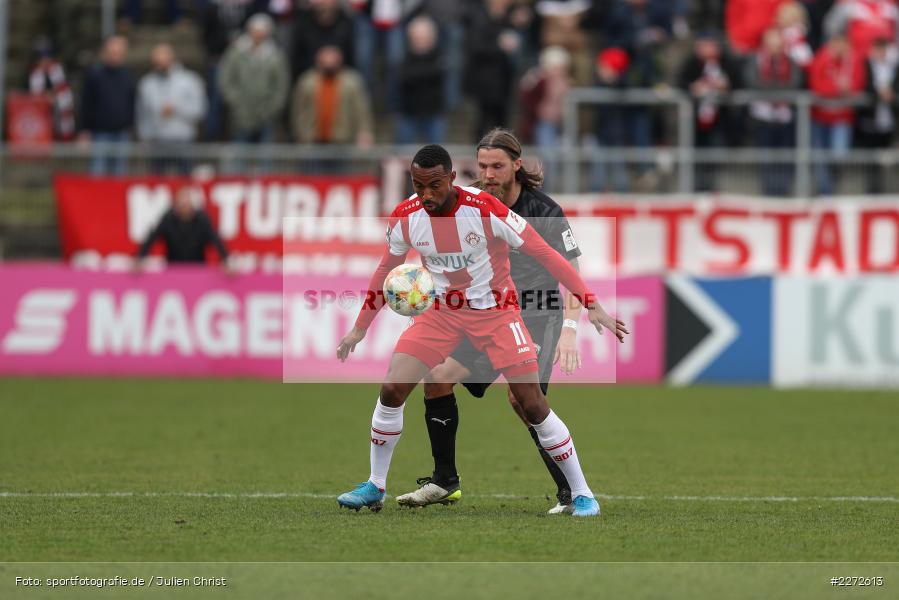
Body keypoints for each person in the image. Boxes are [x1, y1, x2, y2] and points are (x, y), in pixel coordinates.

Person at [334, 144, 629, 517]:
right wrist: (360, 328)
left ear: (452, 179)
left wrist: (590, 304)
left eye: (434, 185)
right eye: (418, 185)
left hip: (497, 314)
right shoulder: (406, 217)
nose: (426, 194)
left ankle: (583, 493)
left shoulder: (486, 209)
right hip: (440, 314)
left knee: (531, 402)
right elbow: (384, 270)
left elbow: (546, 253)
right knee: (393, 387)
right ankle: (375, 485)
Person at [394, 129, 586, 515]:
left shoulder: (545, 211)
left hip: (537, 314)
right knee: (438, 376)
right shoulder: (469, 203)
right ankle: (445, 481)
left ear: (517, 165)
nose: (488, 174)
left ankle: (572, 492)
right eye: (482, 166)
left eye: (497, 166)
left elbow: (569, 267)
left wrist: (570, 329)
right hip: (485, 311)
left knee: (522, 399)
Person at [809, 31, 867, 195]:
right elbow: (816, 86)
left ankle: (831, 186)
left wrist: (841, 90)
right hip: (820, 117)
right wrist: (838, 90)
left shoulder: (854, 60)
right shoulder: (822, 57)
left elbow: (857, 87)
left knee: (838, 155)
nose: (839, 47)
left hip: (842, 118)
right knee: (820, 158)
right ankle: (825, 193)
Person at [218, 13, 290, 144]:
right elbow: (226, 78)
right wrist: (235, 100)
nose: (258, 34)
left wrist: (272, 107)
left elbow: (281, 85)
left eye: (262, 31)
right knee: (240, 148)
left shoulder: (276, 55)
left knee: (265, 150)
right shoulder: (236, 52)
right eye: (255, 30)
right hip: (240, 112)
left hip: (266, 112)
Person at [136, 44, 207, 175]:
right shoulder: (147, 83)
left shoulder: (190, 80)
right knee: (157, 184)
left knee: (185, 183)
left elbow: (199, 110)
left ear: (171, 59)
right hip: (156, 141)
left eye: (161, 61)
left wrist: (177, 109)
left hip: (183, 139)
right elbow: (142, 114)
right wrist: (145, 137)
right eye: (155, 61)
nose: (158, 64)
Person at [290, 46, 374, 146]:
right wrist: (300, 133)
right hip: (312, 140)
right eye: (325, 60)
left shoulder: (352, 82)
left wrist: (364, 132)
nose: (329, 63)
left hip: (343, 139)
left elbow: (361, 110)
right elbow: (298, 110)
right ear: (318, 61)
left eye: (332, 60)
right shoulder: (306, 82)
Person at [80, 35, 136, 176]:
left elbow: (132, 103)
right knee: (97, 173)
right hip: (100, 134)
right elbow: (86, 103)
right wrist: (84, 130)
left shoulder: (128, 76)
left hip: (122, 133)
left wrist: (131, 126)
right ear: (105, 53)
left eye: (119, 53)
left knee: (119, 175)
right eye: (113, 52)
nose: (116, 56)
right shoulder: (94, 75)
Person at [135, 187, 230, 269]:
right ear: (176, 204)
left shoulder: (202, 220)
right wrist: (140, 258)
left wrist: (226, 260)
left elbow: (216, 240)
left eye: (187, 203)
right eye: (182, 203)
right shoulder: (168, 219)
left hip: (198, 269)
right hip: (173, 269)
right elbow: (152, 237)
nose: (185, 206)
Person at [395, 16, 448, 144]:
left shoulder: (439, 55)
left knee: (437, 158)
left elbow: (439, 74)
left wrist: (416, 74)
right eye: (417, 38)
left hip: (434, 114)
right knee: (404, 157)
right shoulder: (404, 58)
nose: (420, 42)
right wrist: (427, 73)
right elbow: (404, 77)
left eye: (423, 38)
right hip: (409, 113)